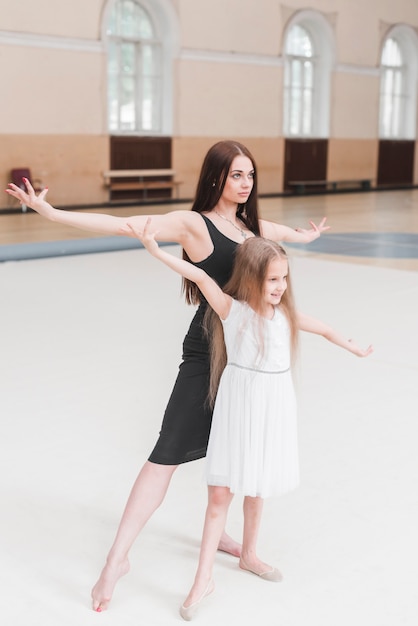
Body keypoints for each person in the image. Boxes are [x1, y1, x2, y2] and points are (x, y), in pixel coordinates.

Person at [6, 140, 330, 612]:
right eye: (237, 175)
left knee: (242, 450)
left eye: (251, 176)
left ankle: (240, 546)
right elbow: (126, 224)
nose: (245, 185)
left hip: (249, 359)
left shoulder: (250, 225)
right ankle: (116, 560)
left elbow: (284, 233)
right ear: (216, 177)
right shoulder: (192, 223)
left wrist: (306, 236)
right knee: (166, 455)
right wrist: (53, 214)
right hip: (208, 352)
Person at [129, 219, 373, 620]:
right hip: (238, 406)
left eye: (283, 279)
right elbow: (198, 275)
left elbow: (325, 329)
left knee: (257, 490)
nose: (279, 287)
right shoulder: (232, 310)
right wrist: (155, 250)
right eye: (271, 280)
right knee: (220, 496)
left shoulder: (284, 316)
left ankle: (250, 553)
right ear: (250, 278)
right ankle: (202, 578)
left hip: (273, 407)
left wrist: (353, 347)